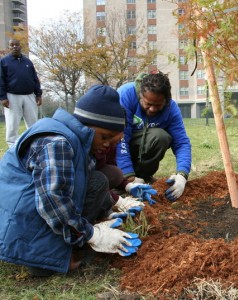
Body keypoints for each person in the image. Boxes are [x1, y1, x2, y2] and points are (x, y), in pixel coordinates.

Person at [0, 85, 145, 277]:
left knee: (98, 180)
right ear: (86, 124)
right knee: (44, 266)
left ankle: (70, 237)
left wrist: (113, 206)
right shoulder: (57, 142)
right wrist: (92, 234)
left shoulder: (78, 139)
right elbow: (53, 199)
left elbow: (80, 184)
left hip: (33, 207)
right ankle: (49, 251)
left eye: (114, 141)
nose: (107, 145)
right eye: (105, 137)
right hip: (18, 221)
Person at [116, 71, 192, 201]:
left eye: (157, 105)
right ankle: (122, 180)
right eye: (148, 104)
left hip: (146, 144)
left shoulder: (171, 108)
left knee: (160, 137)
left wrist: (182, 174)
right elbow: (121, 138)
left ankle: (144, 177)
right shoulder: (126, 95)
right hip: (123, 145)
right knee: (120, 137)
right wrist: (128, 176)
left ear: (166, 100)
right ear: (140, 95)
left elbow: (181, 143)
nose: (152, 109)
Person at [0, 38, 43, 147]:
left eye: (16, 45)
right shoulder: (4, 61)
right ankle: (12, 148)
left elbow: (35, 78)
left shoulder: (28, 62)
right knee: (12, 124)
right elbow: (0, 80)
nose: (14, 47)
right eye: (12, 45)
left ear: (20, 46)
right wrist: (2, 97)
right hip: (12, 96)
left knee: (33, 123)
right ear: (9, 47)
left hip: (29, 96)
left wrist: (38, 94)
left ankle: (34, 145)